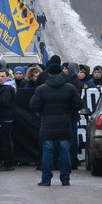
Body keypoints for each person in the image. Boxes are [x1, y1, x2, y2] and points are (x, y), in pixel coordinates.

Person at [31, 54, 79, 186]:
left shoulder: (42, 89)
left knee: (47, 152)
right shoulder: (70, 88)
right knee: (65, 151)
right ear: (61, 72)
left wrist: (41, 111)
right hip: (64, 123)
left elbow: (33, 105)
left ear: (48, 73)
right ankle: (65, 179)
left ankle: (46, 179)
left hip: (47, 124)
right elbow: (78, 104)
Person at [0, 66, 17, 171]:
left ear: (7, 77)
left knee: (4, 142)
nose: (0, 78)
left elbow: (5, 102)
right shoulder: (6, 87)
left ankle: (7, 163)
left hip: (5, 118)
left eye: (2, 76)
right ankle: (7, 162)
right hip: (5, 118)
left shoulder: (7, 88)